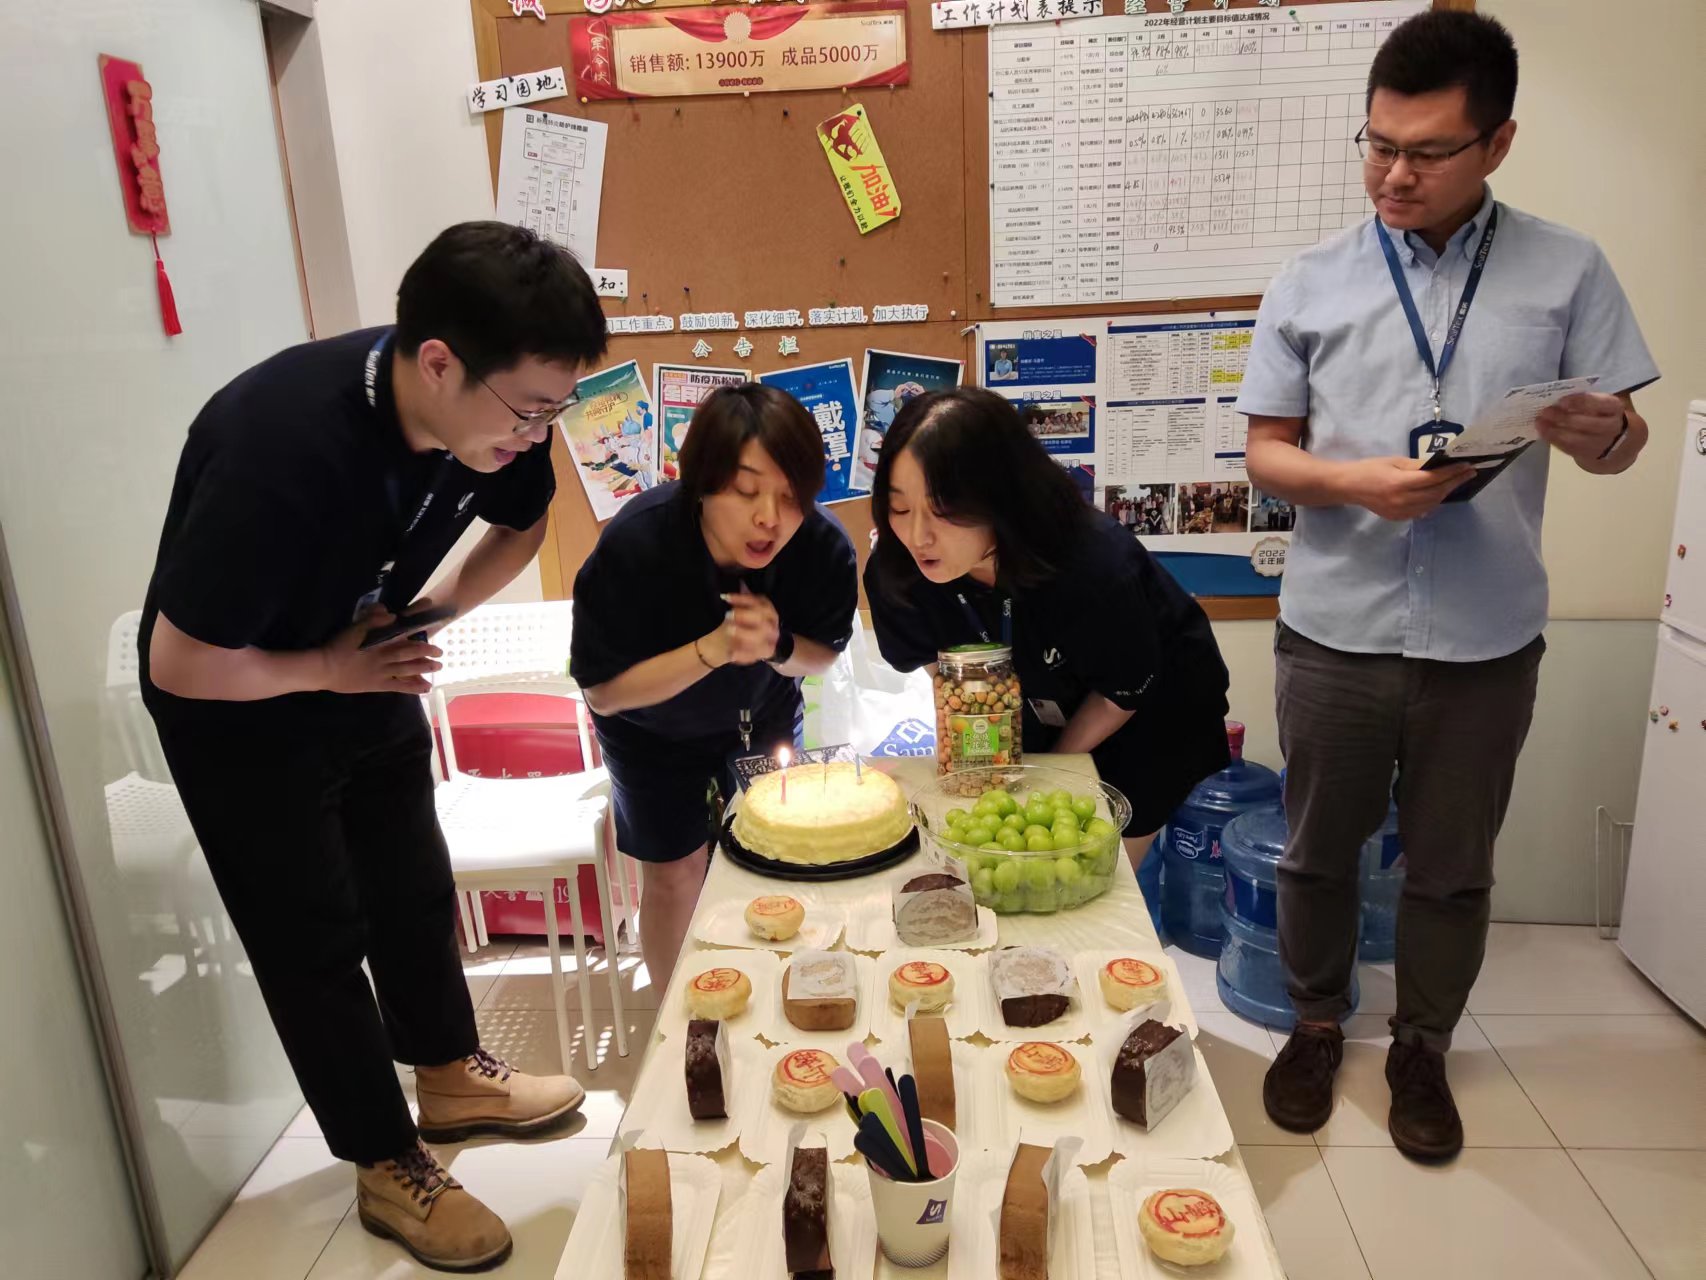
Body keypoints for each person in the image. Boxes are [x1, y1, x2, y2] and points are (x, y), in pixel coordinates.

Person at [140, 222, 609, 1270]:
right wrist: (326, 668)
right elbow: (178, 660)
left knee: (409, 883)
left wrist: (424, 620)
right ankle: (385, 1160)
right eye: (530, 409)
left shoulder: (498, 418)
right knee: (313, 934)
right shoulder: (280, 448)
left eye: (558, 406)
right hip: (237, 700)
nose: (540, 431)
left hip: (358, 654)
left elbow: (522, 524)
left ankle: (449, 1074)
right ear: (438, 363)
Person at [1237, 10, 1657, 1163]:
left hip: (1483, 638)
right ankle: (1314, 1023)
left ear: (1496, 143)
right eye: (1376, 145)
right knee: (1315, 851)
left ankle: (1420, 1047)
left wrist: (1606, 432)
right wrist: (1352, 484)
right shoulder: (1310, 279)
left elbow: (1623, 442)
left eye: (1426, 152)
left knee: (1451, 868)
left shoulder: (1566, 269)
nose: (1392, 174)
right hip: (1334, 628)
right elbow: (1264, 452)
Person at [864, 387, 1232, 870]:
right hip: (1040, 704)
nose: (918, 536)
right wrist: (989, 757)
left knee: (1092, 869)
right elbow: (950, 682)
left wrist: (1048, 768)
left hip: (1150, 712)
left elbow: (1124, 691)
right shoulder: (897, 572)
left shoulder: (1093, 565)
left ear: (1002, 498)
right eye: (900, 509)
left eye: (944, 510)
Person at [570, 384, 857, 991]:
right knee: (674, 874)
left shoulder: (822, 546)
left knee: (773, 858)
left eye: (791, 495)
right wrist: (712, 650)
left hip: (763, 718)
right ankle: (679, 1022)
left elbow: (823, 655)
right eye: (747, 491)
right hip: (647, 730)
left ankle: (769, 996)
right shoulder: (637, 543)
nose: (770, 517)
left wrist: (777, 645)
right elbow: (604, 693)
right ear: (701, 482)